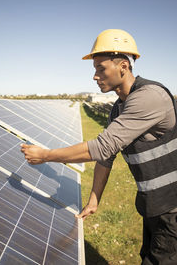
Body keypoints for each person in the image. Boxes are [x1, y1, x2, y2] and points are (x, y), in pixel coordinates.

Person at [21, 29, 177, 264]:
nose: (95, 76)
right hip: (155, 205)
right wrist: (94, 200)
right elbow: (107, 158)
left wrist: (46, 155)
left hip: (173, 207)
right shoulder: (118, 107)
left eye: (100, 68)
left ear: (123, 66)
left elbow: (102, 148)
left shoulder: (149, 97)